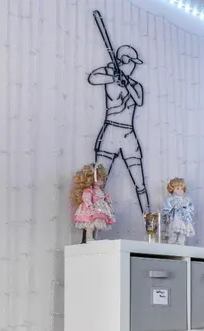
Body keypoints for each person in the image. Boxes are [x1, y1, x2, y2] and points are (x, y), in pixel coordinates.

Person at [88, 45, 150, 214]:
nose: (133, 66)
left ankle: (149, 223)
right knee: (98, 182)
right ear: (123, 61)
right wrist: (115, 76)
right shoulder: (110, 77)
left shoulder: (135, 85)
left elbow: (139, 99)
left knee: (140, 183)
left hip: (128, 134)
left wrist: (126, 82)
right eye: (131, 62)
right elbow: (93, 78)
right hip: (110, 131)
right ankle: (94, 221)